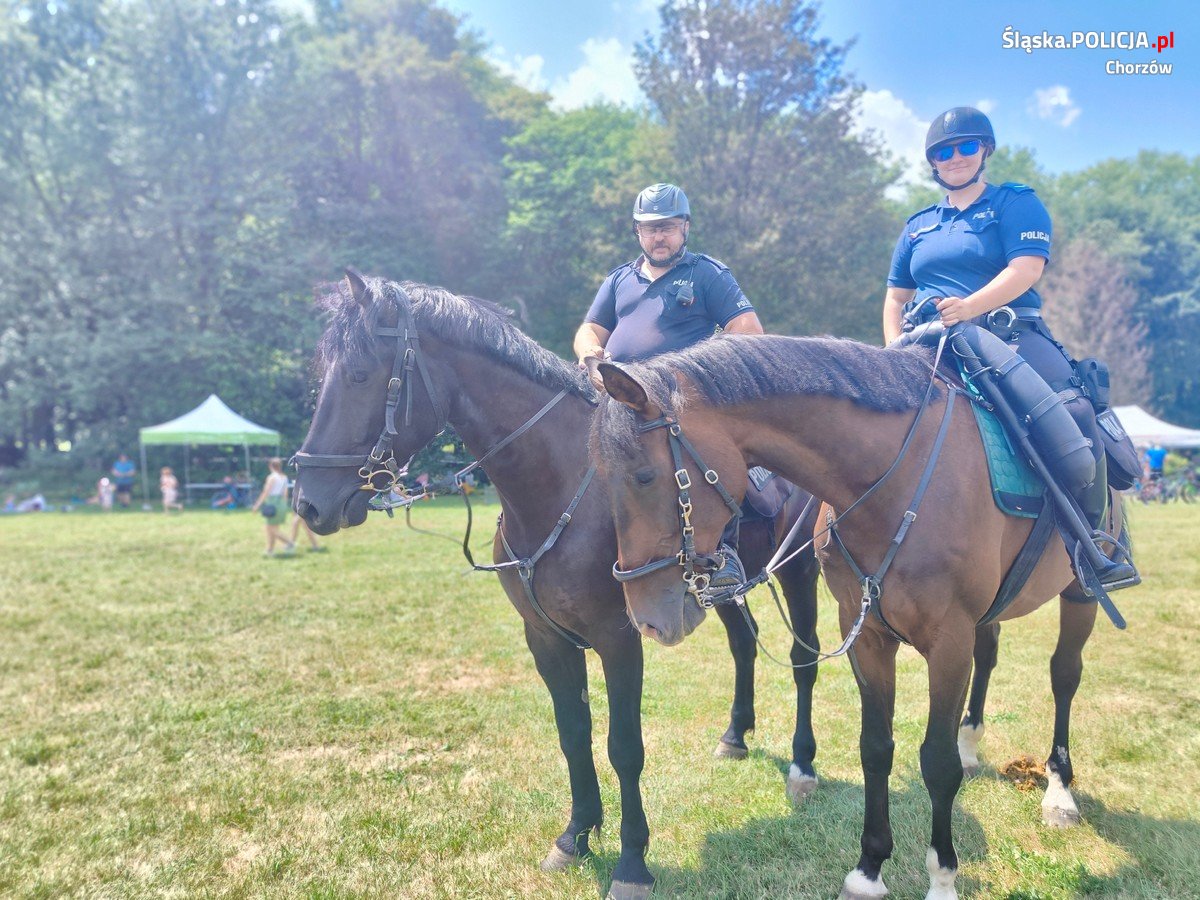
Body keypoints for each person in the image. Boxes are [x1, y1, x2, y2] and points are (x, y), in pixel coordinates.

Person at [884, 106, 1134, 588]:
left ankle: (1093, 547)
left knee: (1076, 411)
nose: (954, 157)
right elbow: (895, 296)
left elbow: (1026, 269)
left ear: (985, 152)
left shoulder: (1014, 204)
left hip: (1009, 335)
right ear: (932, 162)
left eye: (965, 147)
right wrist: (893, 346)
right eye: (943, 151)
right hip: (924, 344)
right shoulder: (917, 226)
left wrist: (969, 307)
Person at [574, 182, 764, 592]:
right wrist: (592, 355)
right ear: (637, 232)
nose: (658, 236)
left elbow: (748, 332)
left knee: (713, 461)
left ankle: (725, 556)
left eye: (668, 227)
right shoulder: (618, 280)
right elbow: (590, 328)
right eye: (650, 228)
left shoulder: (707, 274)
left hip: (682, 408)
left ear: (685, 228)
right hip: (619, 404)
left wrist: (699, 375)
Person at [251, 457, 294, 557]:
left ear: (270, 466)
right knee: (272, 527)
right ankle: (270, 550)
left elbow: (266, 492)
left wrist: (257, 505)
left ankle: (289, 543)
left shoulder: (271, 477)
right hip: (281, 504)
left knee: (271, 529)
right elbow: (285, 494)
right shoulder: (284, 477)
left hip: (272, 503)